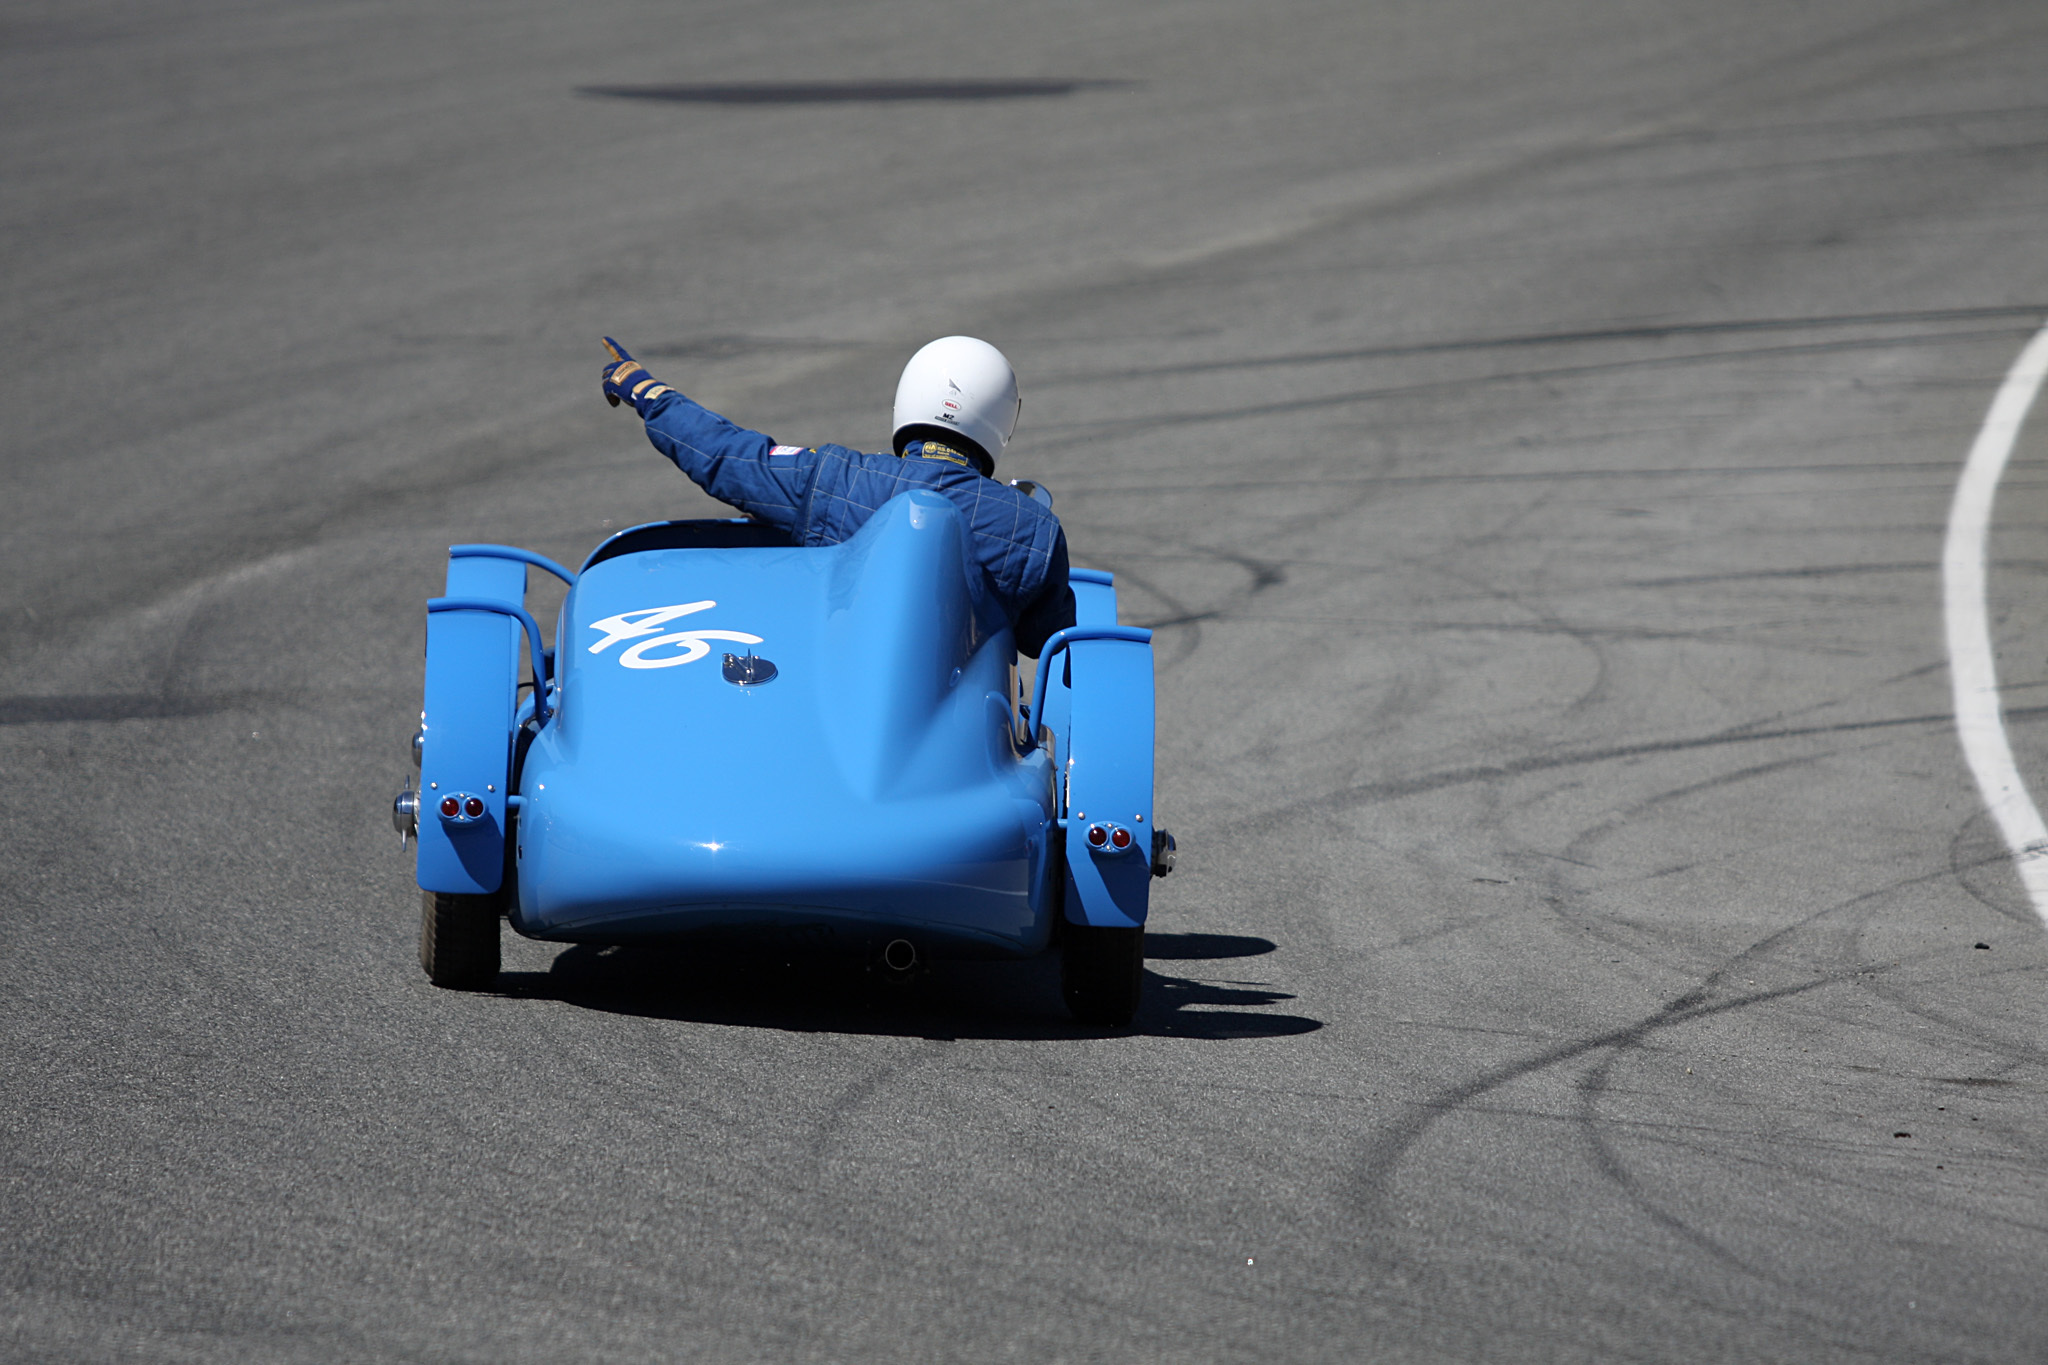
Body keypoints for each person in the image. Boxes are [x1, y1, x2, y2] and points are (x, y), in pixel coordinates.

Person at [599, 335, 1076, 656]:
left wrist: (652, 395)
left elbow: (728, 457)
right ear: (1002, 421)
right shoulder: (1033, 529)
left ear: (909, 397)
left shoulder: (836, 478)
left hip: (834, 693)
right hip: (957, 738)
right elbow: (1054, 648)